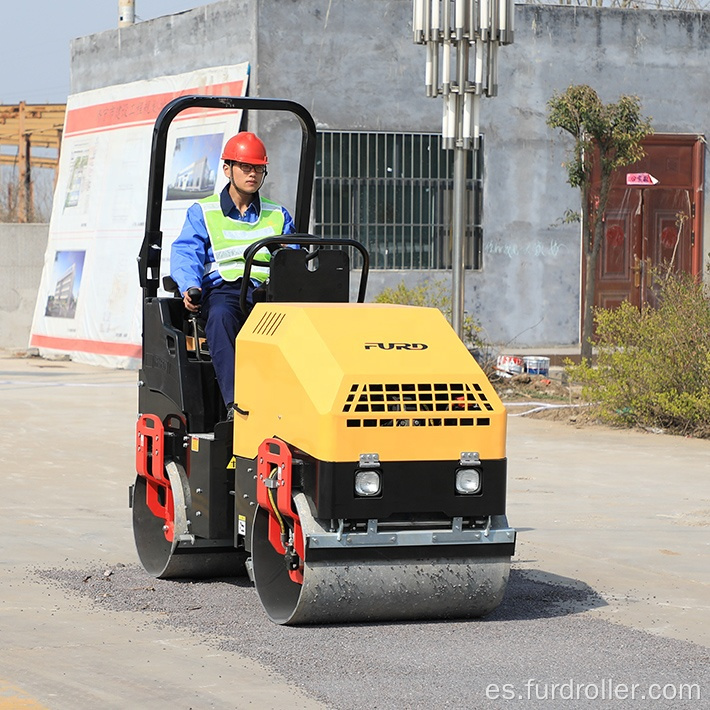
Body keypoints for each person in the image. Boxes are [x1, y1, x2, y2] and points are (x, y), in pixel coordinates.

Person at [170, 131, 295, 417]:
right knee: (222, 318)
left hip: (268, 292)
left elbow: (294, 256)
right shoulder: (204, 211)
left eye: (258, 168)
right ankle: (237, 406)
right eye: (245, 167)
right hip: (225, 292)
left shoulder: (278, 214)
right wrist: (189, 286)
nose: (253, 174)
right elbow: (186, 252)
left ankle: (298, 404)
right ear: (227, 169)